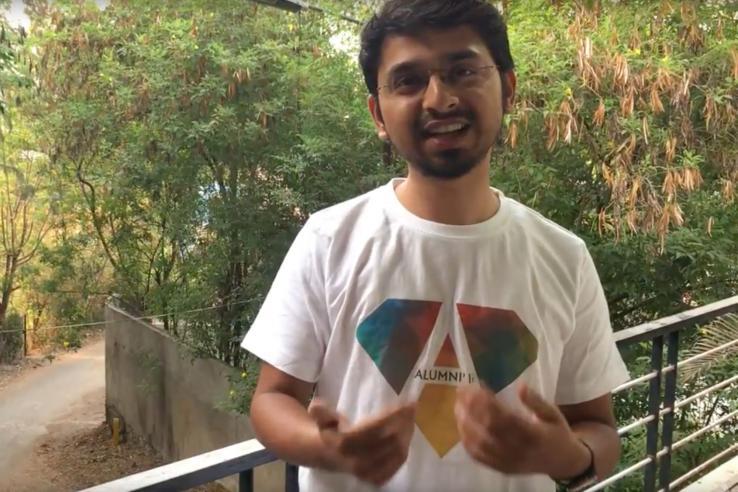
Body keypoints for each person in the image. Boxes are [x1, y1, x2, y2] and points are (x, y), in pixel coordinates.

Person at [242, 1, 630, 491]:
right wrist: (322, 446)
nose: (438, 99)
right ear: (377, 112)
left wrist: (571, 457)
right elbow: (273, 399)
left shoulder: (564, 258)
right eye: (408, 81)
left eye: (463, 70)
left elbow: (597, 426)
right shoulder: (329, 240)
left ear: (507, 89)